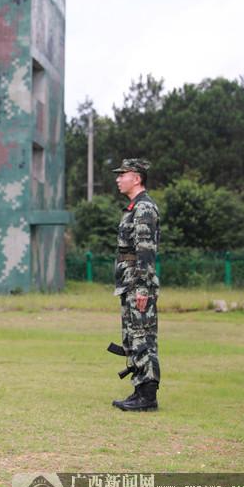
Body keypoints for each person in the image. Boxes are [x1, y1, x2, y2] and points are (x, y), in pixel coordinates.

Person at [111, 158, 161, 411]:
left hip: (138, 284)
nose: (118, 179)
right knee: (133, 337)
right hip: (129, 283)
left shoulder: (144, 209)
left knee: (143, 338)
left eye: (123, 174)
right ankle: (139, 390)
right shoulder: (134, 207)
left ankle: (148, 397)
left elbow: (145, 251)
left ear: (137, 178)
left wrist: (142, 288)